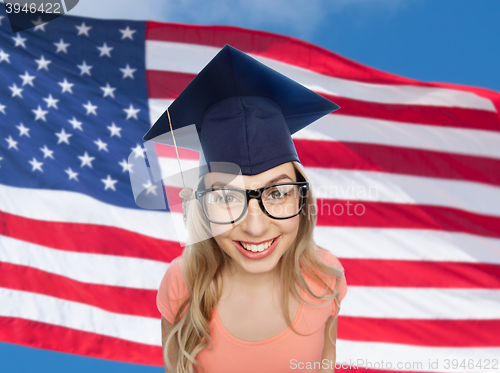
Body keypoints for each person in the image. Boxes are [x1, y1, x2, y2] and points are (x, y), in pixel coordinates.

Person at [143, 45, 348, 373]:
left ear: (303, 200)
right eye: (226, 198)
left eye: (278, 192)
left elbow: (325, 362)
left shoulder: (324, 276)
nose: (255, 227)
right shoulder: (183, 283)